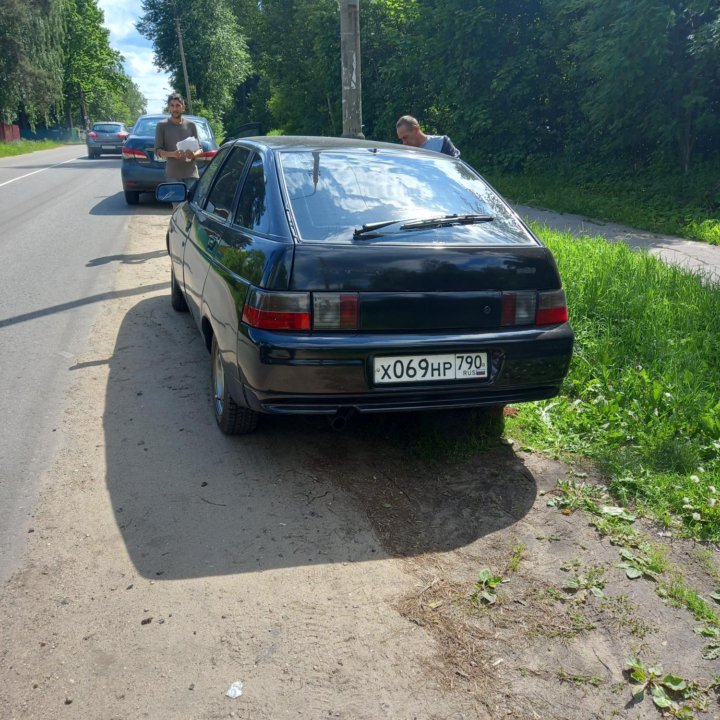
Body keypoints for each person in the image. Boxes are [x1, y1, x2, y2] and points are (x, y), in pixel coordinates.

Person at [154, 92, 202, 188]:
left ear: (183, 107)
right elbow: (157, 151)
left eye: (177, 105)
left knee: (191, 203)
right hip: (173, 175)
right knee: (178, 203)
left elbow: (200, 149)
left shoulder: (191, 125)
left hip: (191, 174)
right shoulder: (162, 125)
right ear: (169, 108)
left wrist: (193, 154)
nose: (175, 109)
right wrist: (173, 154)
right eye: (172, 105)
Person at [395, 115, 460, 158]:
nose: (404, 143)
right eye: (401, 139)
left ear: (415, 129)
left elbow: (457, 168)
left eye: (405, 137)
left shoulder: (442, 143)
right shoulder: (406, 154)